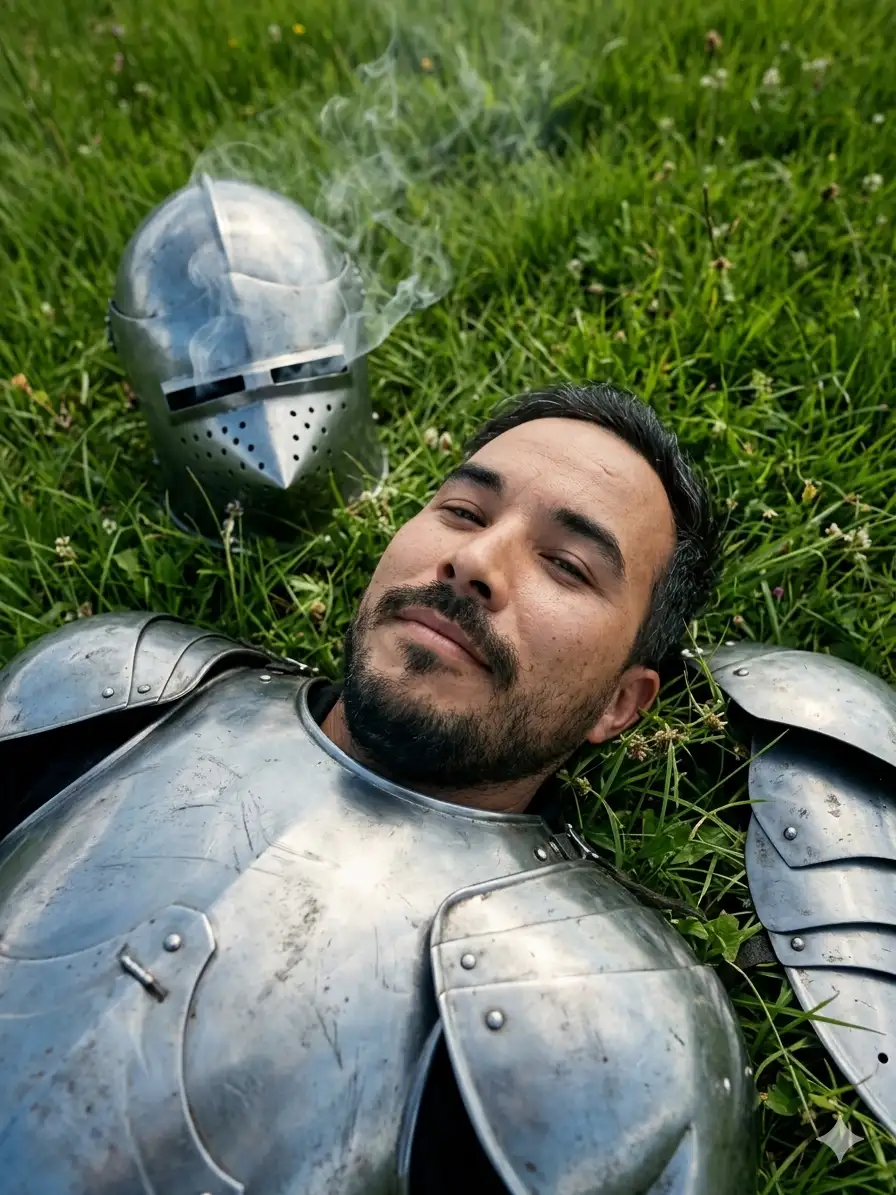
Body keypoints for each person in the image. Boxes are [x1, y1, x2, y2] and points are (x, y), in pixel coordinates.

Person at [0, 382, 755, 1195]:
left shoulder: (633, 1032)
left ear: (619, 702)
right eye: (464, 511)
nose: (474, 561)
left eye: (567, 565)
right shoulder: (117, 687)